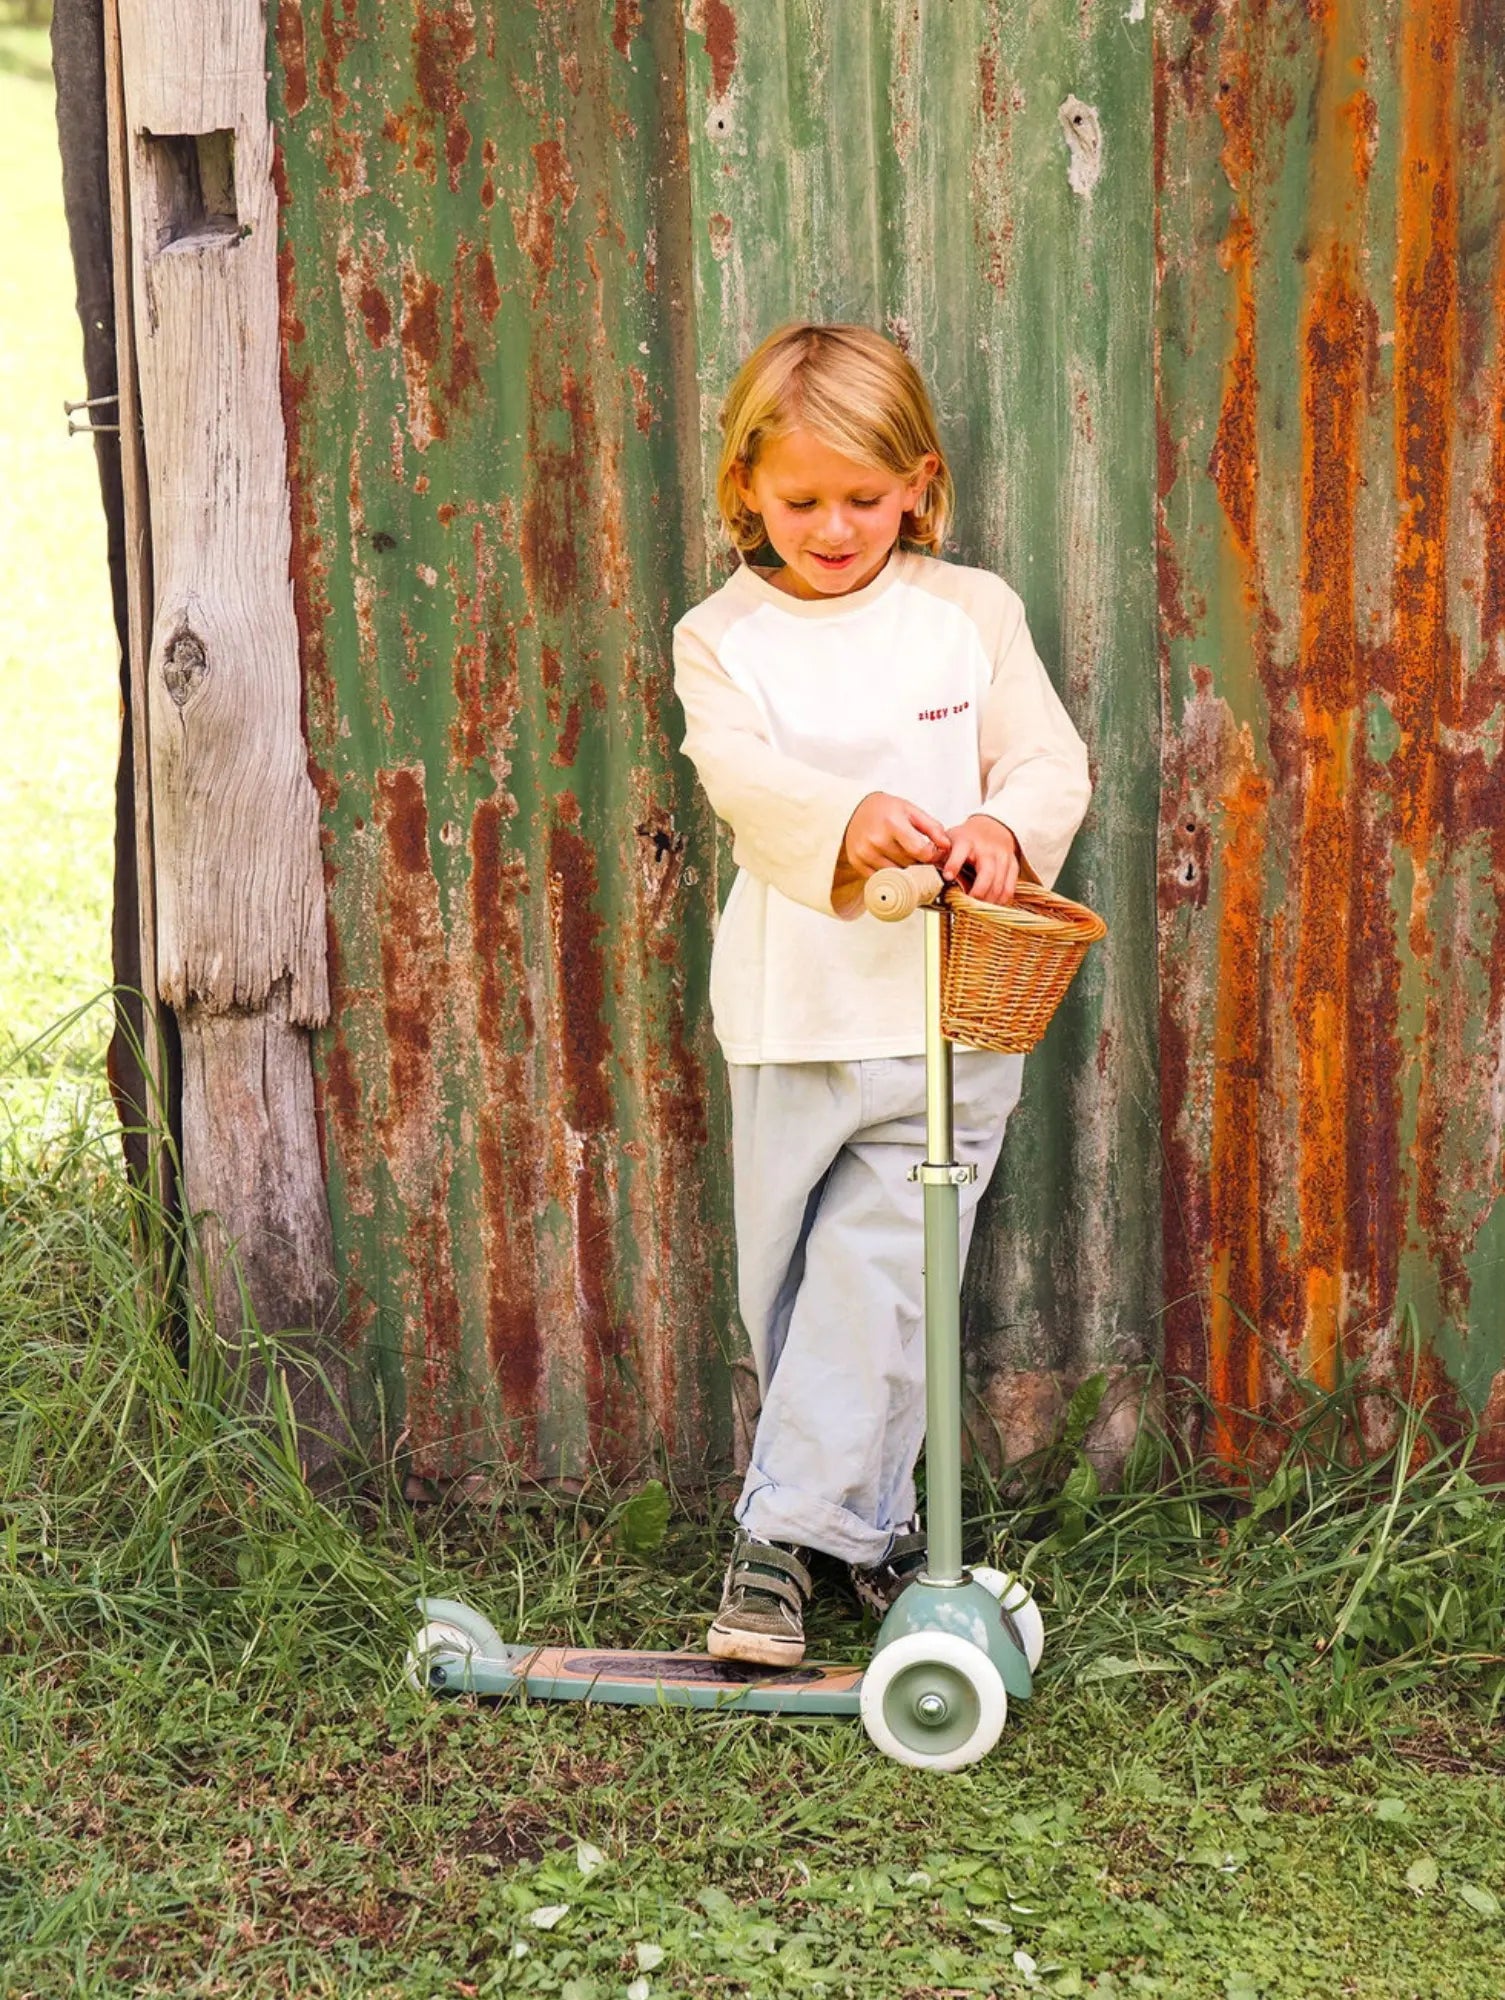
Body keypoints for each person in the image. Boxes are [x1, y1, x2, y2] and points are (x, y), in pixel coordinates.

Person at [672, 323, 1092, 1666]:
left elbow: (1044, 761)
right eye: (801, 502)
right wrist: (846, 818)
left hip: (945, 1010)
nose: (835, 526)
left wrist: (1005, 835)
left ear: (919, 481)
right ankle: (868, 1523)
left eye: (865, 497)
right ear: (747, 490)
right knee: (790, 1289)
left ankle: (775, 1547)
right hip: (793, 1010)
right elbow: (741, 784)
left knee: (889, 1269)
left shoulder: (969, 617)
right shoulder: (720, 638)